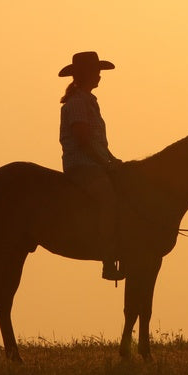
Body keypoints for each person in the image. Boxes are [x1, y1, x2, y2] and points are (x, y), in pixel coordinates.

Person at [58, 50, 124, 281]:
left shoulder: (86, 101)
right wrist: (106, 162)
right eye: (96, 71)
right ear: (87, 74)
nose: (99, 76)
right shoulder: (77, 103)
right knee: (108, 198)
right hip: (82, 166)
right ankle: (107, 259)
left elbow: (94, 143)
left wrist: (112, 160)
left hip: (94, 163)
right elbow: (84, 141)